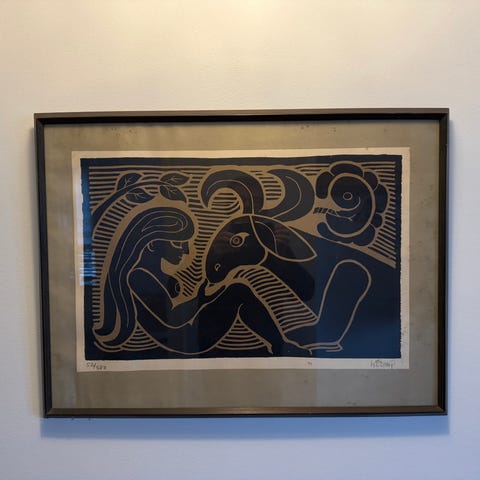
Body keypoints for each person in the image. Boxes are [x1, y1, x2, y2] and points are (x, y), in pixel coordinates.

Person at [94, 206, 308, 357]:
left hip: (188, 334)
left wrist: (208, 290)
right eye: (177, 243)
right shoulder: (138, 276)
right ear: (151, 243)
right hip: (182, 339)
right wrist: (209, 293)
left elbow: (307, 289)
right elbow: (173, 320)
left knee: (236, 289)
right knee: (238, 290)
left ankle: (279, 344)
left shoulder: (155, 274)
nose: (185, 249)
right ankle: (280, 344)